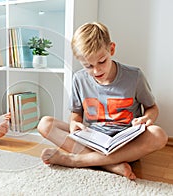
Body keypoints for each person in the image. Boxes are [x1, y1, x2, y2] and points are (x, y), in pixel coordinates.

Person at [37, 22, 168, 179]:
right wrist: (74, 123)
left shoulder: (134, 76)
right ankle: (110, 164)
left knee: (159, 135)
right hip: (93, 141)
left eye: (102, 61)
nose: (96, 70)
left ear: (111, 49)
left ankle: (76, 160)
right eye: (88, 66)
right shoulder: (79, 79)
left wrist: (147, 118)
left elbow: (152, 107)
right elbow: (76, 113)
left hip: (126, 144)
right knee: (45, 124)